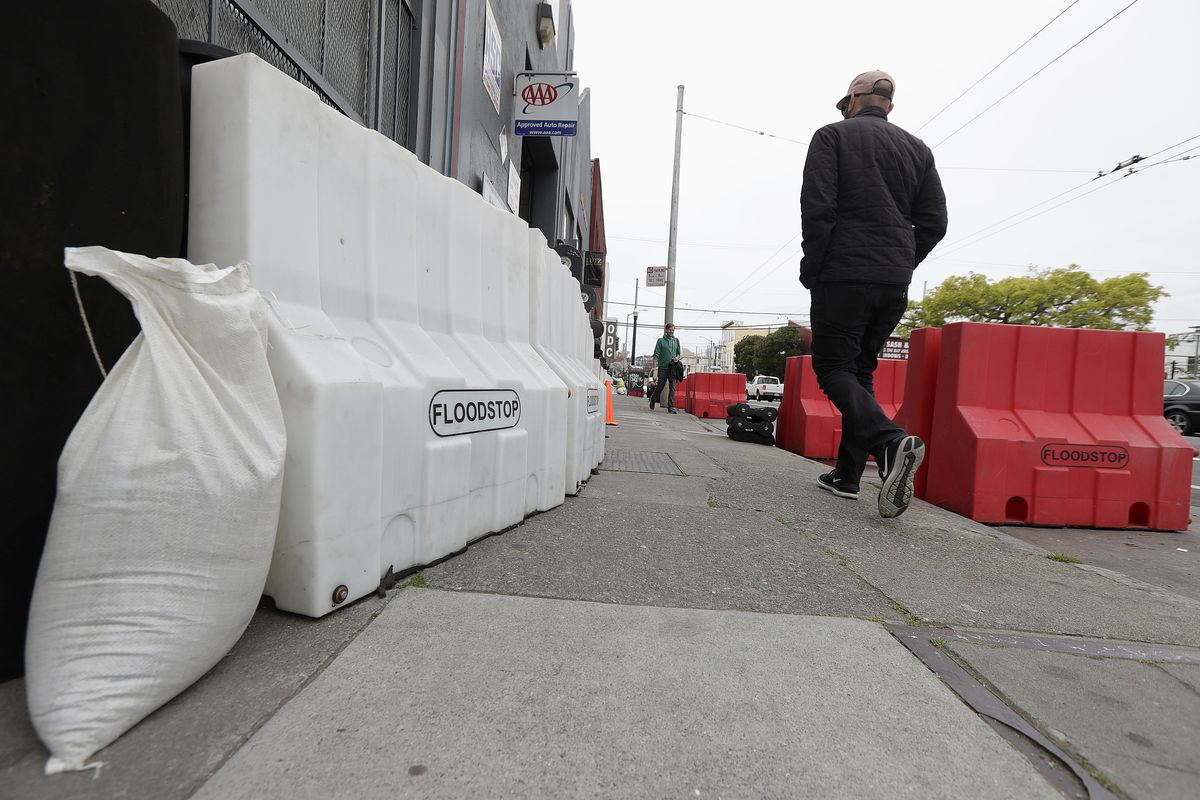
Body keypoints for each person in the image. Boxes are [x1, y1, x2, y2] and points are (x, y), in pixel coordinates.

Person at [800, 70, 947, 518]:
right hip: (893, 280)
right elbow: (935, 223)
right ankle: (847, 476)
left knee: (831, 367)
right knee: (860, 371)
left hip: (843, 274)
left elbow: (818, 207)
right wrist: (900, 261)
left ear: (854, 100)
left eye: (845, 103)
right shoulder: (918, 150)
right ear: (889, 105)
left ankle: (890, 442)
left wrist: (815, 268)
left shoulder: (831, 137)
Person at [649, 323, 681, 413]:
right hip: (663, 367)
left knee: (673, 388)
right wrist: (655, 369)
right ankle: (653, 399)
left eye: (673, 330)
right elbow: (656, 355)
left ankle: (670, 407)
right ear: (666, 330)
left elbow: (678, 353)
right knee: (660, 386)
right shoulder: (660, 341)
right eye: (670, 329)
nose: (671, 331)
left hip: (673, 368)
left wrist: (677, 358)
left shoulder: (676, 341)